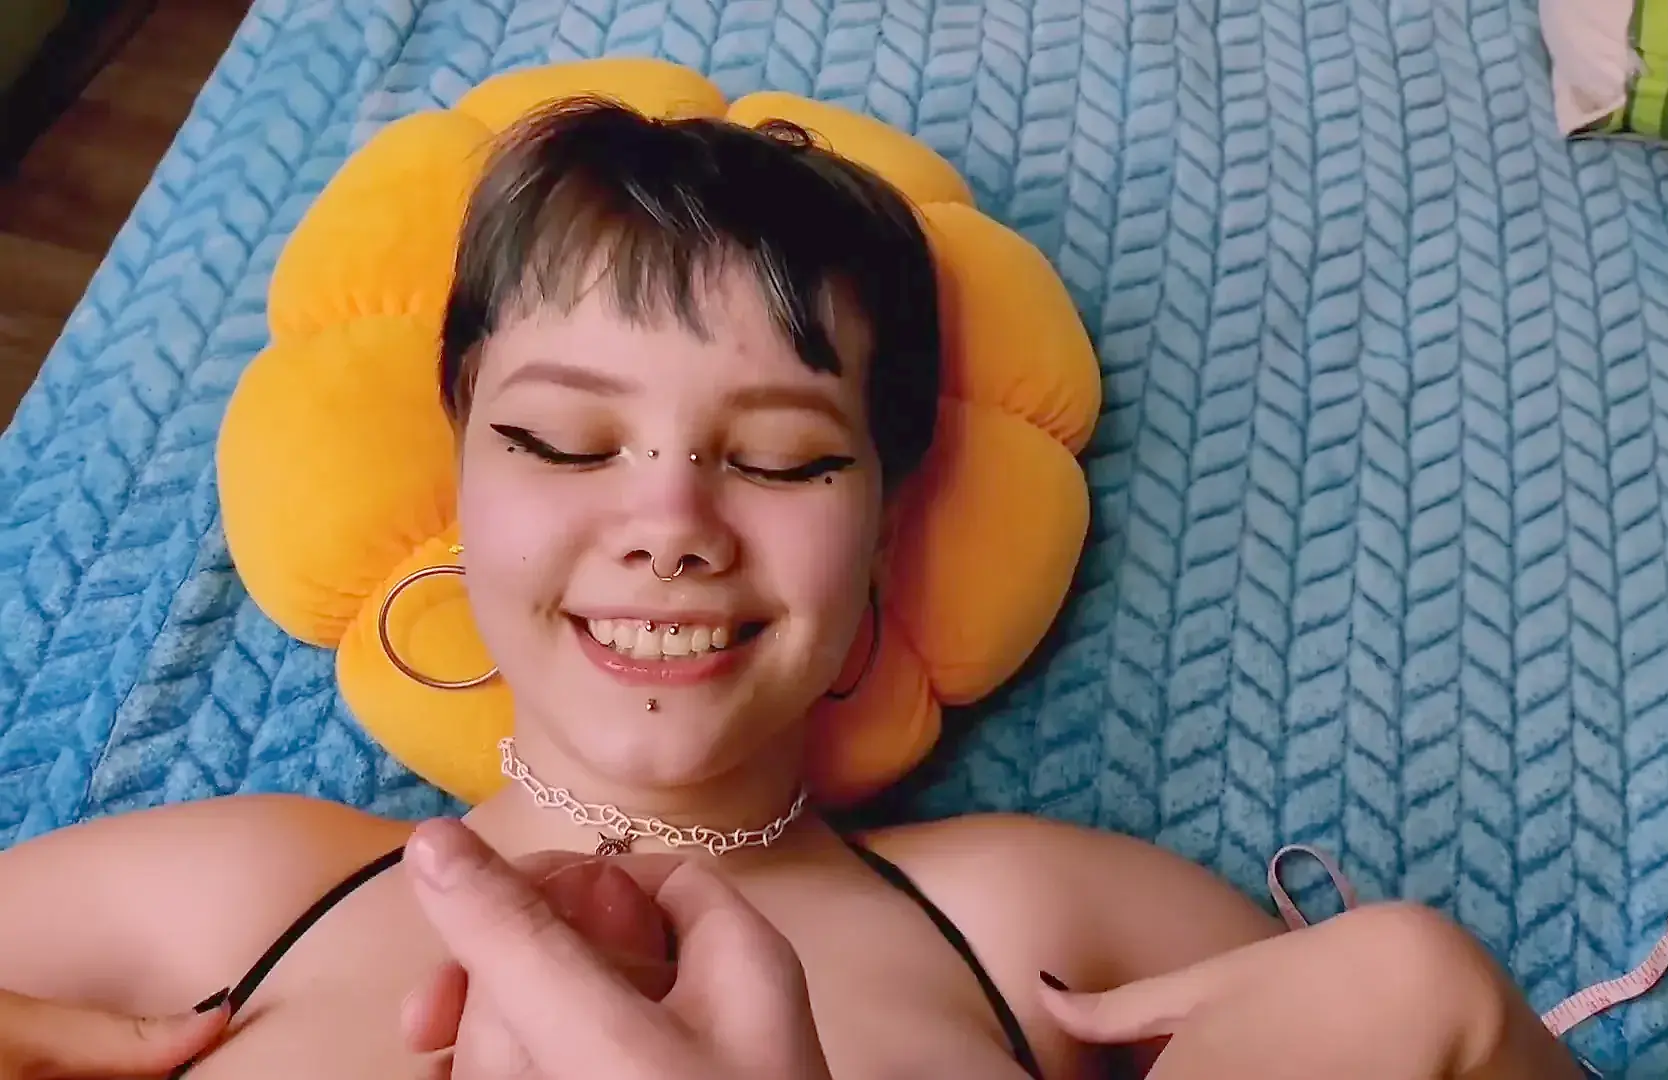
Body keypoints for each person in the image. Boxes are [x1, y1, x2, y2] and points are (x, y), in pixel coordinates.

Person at [0, 97, 1585, 1080]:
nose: (671, 523)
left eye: (782, 459)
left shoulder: (1034, 923)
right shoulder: (237, 894)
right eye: (563, 440)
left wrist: (1466, 1034)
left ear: (887, 523)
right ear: (457, 481)